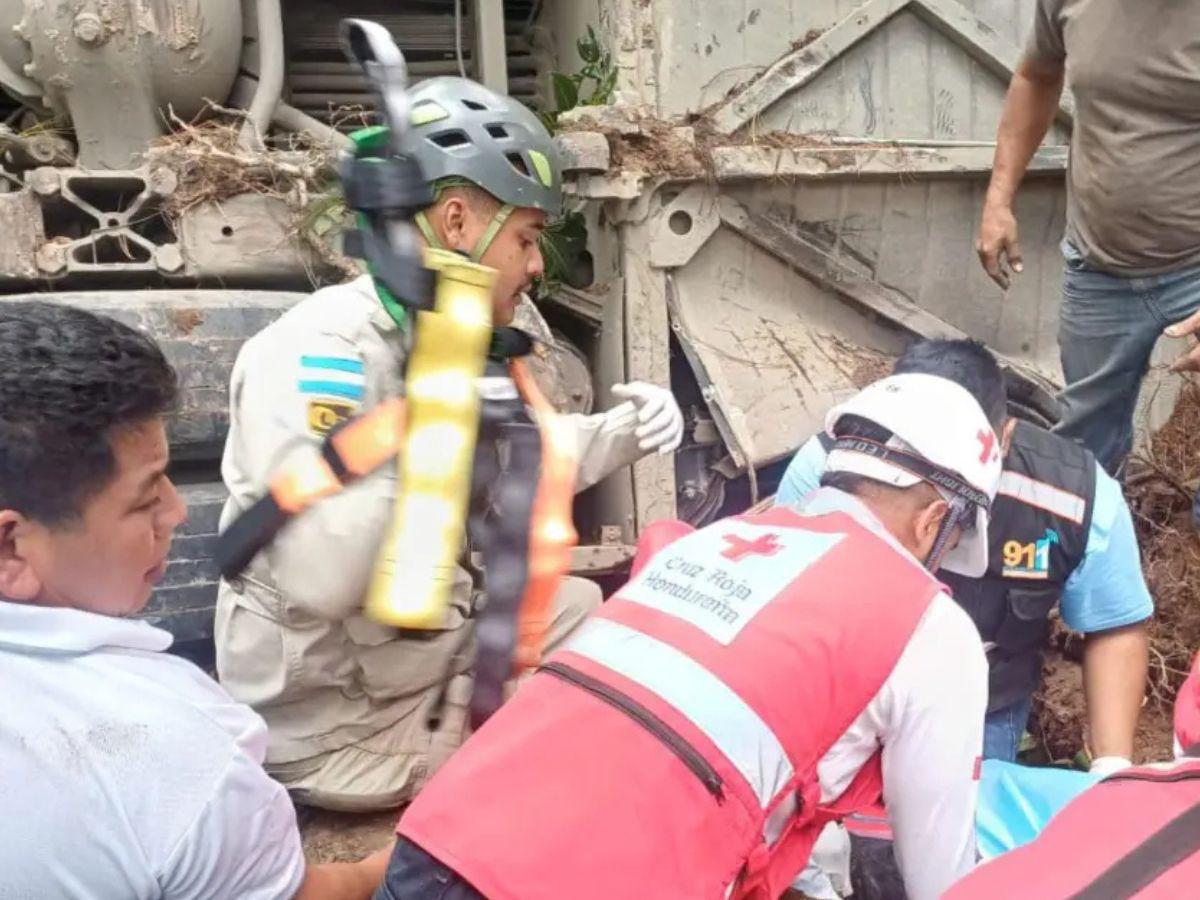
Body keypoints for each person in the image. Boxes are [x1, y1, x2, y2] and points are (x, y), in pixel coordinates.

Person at [216, 75, 685, 813]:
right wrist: (426, 425)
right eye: (526, 238)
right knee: (609, 719)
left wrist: (624, 432)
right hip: (341, 729)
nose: (536, 265)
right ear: (459, 221)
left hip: (401, 666)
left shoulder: (434, 336)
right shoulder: (327, 350)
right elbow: (320, 574)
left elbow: (512, 455)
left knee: (582, 604)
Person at [373, 372, 1002, 900]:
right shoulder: (928, 625)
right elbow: (942, 882)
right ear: (933, 521)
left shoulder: (717, 541)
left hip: (440, 842)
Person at [0, 302, 389, 899]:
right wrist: (389, 865)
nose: (178, 512)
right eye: (144, 499)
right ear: (11, 547)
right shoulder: (172, 752)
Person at [777, 339, 1151, 769]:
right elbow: (783, 597)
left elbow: (1114, 626)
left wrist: (1111, 768)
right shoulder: (827, 467)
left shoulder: (1078, 499)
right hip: (846, 688)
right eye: (916, 451)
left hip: (982, 704)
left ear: (1003, 437)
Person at [975, 0, 1200, 473]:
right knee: (1085, 443)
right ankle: (1096, 516)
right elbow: (1035, 76)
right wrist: (998, 198)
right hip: (1099, 265)